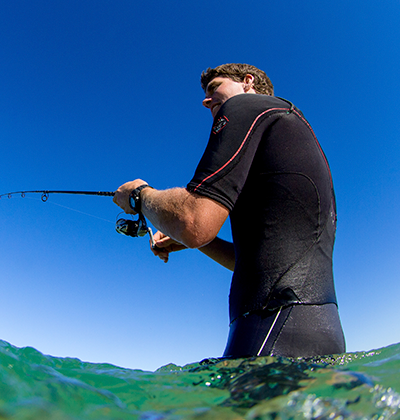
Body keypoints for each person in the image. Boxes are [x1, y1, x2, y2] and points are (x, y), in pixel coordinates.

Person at [113, 63, 345, 358]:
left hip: (270, 324)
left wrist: (138, 194)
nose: (206, 100)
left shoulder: (246, 106)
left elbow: (192, 221)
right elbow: (252, 261)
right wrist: (199, 242)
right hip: (317, 326)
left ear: (247, 82)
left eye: (214, 88)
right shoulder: (286, 126)